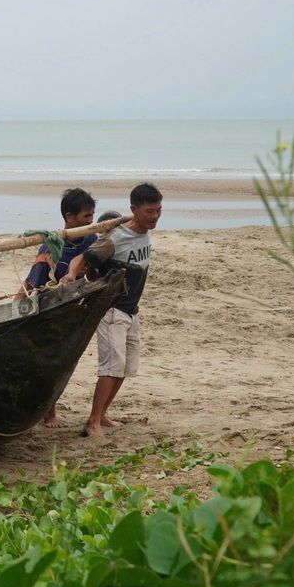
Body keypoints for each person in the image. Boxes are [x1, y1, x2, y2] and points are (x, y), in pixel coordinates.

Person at [75, 183, 163, 438]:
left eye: (159, 210)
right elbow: (86, 261)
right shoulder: (116, 238)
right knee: (111, 367)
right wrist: (78, 274)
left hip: (131, 310)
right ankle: (92, 422)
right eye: (149, 211)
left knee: (125, 367)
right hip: (112, 311)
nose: (155, 216)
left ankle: (102, 414)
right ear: (134, 209)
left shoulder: (145, 231)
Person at [15, 188, 97, 428]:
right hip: (51, 311)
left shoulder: (91, 239)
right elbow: (33, 282)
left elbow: (94, 274)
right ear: (70, 217)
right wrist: (16, 306)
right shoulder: (50, 247)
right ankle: (49, 414)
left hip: (76, 310)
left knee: (66, 361)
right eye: (86, 217)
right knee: (50, 362)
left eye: (93, 215)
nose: (91, 221)